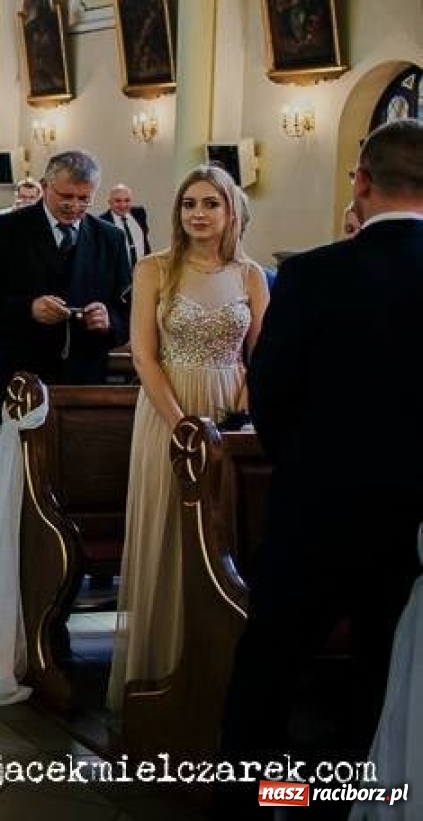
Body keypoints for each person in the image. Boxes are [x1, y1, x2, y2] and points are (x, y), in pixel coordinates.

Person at [220, 117, 423, 780]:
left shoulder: (311, 274)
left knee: (270, 670)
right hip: (416, 525)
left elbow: (271, 392)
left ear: (362, 181)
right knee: (386, 672)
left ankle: (254, 803)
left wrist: (304, 462)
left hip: (318, 509)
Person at [107, 165, 268, 710]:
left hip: (228, 409)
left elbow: (260, 356)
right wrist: (181, 422)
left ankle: (213, 666)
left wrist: (236, 413)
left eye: (210, 204)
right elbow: (143, 353)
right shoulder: (156, 268)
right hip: (167, 409)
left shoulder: (250, 275)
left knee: (219, 536)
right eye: (188, 204)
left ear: (231, 212)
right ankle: (158, 666)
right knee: (170, 528)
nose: (197, 213)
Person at [0, 149, 132, 432]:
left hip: (84, 379)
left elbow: (128, 313)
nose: (74, 206)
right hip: (21, 376)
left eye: (84, 199)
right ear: (44, 185)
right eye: (66, 196)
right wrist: (28, 309)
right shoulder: (5, 230)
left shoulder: (110, 238)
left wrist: (108, 319)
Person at [99, 183, 153, 265]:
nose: (123, 205)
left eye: (127, 200)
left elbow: (145, 240)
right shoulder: (102, 222)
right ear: (109, 202)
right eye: (118, 201)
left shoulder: (139, 214)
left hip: (142, 271)